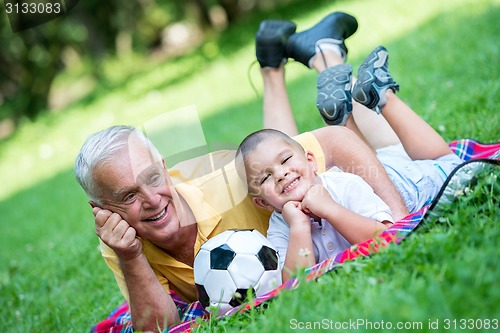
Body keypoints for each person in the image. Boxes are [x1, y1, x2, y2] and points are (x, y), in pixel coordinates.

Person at [75, 12, 409, 332]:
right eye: (129, 196)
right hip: (286, 196)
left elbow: (336, 140)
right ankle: (275, 64)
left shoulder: (225, 184)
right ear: (103, 211)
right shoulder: (121, 239)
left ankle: (327, 55)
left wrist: (400, 222)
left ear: (164, 166)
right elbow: (161, 327)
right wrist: (130, 257)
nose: (151, 199)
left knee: (381, 149)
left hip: (351, 184)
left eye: (152, 178)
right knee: (276, 163)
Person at [236, 45, 463, 281]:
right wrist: (300, 227)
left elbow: (385, 238)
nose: (281, 174)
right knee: (389, 150)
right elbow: (294, 284)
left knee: (447, 163)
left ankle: (383, 95)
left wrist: (330, 209)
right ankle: (347, 117)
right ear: (262, 203)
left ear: (311, 161)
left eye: (285, 160)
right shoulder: (281, 227)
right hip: (372, 169)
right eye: (265, 177)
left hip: (404, 185)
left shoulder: (344, 187)